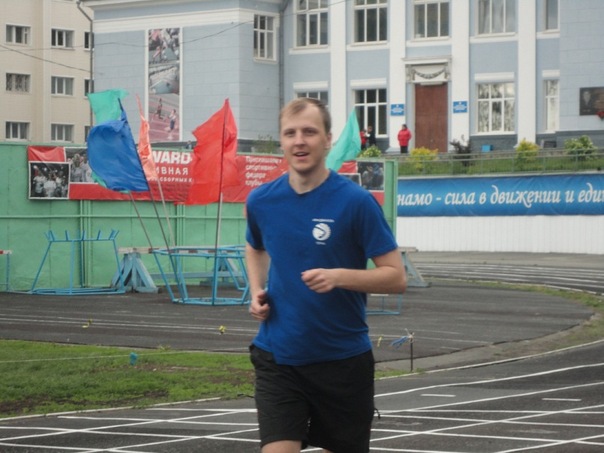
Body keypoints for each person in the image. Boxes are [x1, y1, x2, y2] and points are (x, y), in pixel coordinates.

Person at [245, 97, 407, 453]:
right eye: (290, 133)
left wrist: (339, 277)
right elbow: (254, 246)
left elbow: (396, 277)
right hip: (279, 357)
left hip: (342, 362)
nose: (299, 141)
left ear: (328, 139)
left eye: (309, 132)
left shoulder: (356, 202)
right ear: (281, 141)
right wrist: (256, 289)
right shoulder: (261, 201)